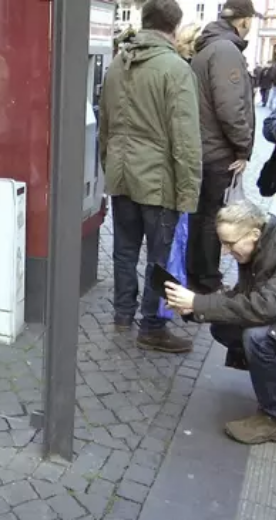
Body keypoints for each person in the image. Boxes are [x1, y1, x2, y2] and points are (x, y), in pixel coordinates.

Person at [99, 0, 202, 352]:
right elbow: (186, 138)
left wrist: (108, 167)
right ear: (174, 27)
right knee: (161, 256)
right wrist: (190, 192)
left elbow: (105, 128)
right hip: (158, 182)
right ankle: (153, 326)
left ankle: (123, 315)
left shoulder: (117, 64)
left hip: (122, 175)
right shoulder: (175, 69)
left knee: (125, 251)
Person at [164, 202, 276, 444]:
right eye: (222, 243)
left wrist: (199, 303)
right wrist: (193, 307)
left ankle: (272, 417)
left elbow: (265, 307)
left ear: (254, 234)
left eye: (229, 243)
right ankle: (267, 379)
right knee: (224, 326)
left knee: (258, 338)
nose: (225, 252)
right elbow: (241, 296)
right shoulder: (258, 246)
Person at [187, 0, 256, 295]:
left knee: (201, 216)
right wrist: (242, 148)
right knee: (212, 218)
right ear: (244, 20)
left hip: (204, 148)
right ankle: (207, 280)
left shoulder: (209, 47)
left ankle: (197, 275)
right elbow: (231, 107)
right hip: (217, 152)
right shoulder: (226, 50)